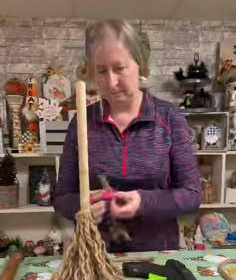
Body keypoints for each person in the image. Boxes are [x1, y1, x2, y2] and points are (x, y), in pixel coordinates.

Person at [53, 20, 201, 253]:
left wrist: (143, 202)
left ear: (141, 68)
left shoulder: (170, 118)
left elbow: (191, 196)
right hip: (95, 257)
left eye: (119, 68)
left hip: (157, 254)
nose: (111, 82)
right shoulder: (82, 122)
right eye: (102, 71)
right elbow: (61, 197)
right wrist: (82, 206)